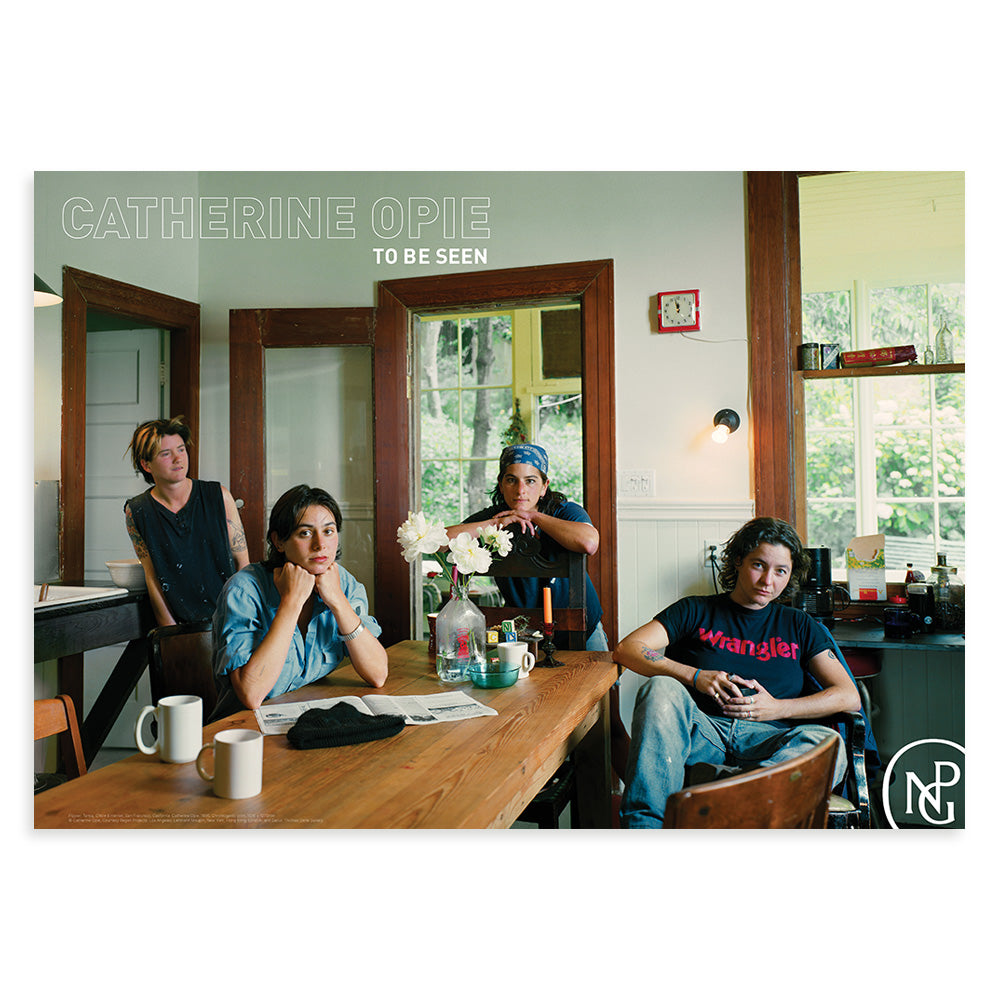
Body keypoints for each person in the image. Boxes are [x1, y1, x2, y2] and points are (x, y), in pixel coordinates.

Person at [614, 516, 862, 829]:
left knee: (828, 743)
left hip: (771, 741)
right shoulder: (695, 610)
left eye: (780, 571)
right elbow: (628, 649)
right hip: (703, 734)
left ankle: (733, 787)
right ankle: (646, 831)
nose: (767, 580)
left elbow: (848, 696)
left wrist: (777, 707)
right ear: (737, 562)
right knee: (660, 688)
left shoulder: (799, 625)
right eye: (758, 565)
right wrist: (694, 676)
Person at [211, 484, 388, 721]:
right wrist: (291, 603)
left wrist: (337, 601)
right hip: (244, 730)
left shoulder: (342, 582)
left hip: (306, 720)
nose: (320, 545)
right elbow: (252, 695)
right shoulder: (244, 590)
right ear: (279, 541)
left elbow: (378, 674)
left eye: (329, 531)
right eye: (305, 533)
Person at [446, 443, 607, 651]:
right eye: (511, 480)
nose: (520, 491)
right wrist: (495, 524)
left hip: (582, 631)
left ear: (544, 486)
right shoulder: (494, 516)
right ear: (501, 484)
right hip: (521, 634)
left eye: (530, 481)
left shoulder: (565, 511)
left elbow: (589, 542)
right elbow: (442, 541)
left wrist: (533, 516)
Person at [124, 416, 249, 626]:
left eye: (181, 449)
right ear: (146, 465)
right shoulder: (136, 511)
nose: (178, 459)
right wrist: (170, 633)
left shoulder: (218, 496)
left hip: (231, 620)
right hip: (179, 623)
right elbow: (152, 576)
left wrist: (242, 619)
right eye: (166, 454)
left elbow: (243, 564)